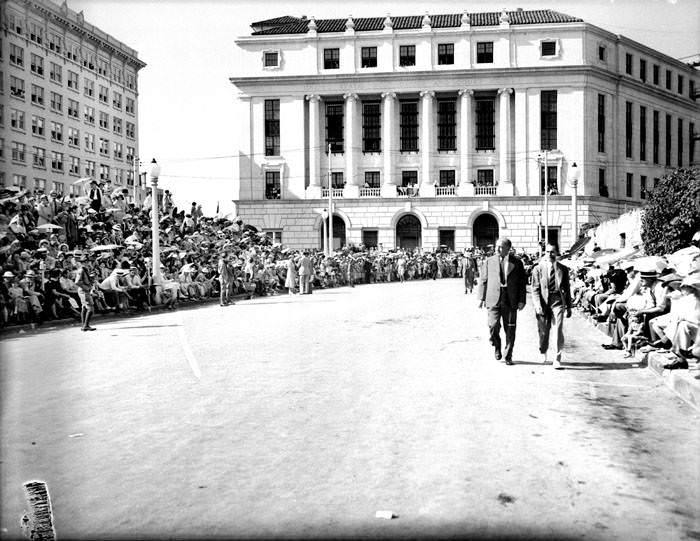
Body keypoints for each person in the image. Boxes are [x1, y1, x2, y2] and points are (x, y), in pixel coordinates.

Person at [477, 237, 527, 365]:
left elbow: (522, 283)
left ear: (508, 249)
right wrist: (481, 298)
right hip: (493, 298)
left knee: (510, 329)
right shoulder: (489, 261)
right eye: (497, 246)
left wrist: (522, 300)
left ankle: (508, 355)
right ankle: (497, 345)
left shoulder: (517, 263)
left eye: (501, 247)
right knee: (493, 326)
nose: (498, 249)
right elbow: (483, 280)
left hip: (510, 300)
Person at [530, 244, 572, 369]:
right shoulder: (537, 269)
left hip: (557, 301)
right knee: (543, 330)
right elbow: (534, 289)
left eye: (552, 252)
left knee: (558, 329)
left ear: (557, 253)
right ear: (545, 253)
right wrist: (537, 305)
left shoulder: (563, 269)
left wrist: (569, 307)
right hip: (543, 301)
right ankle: (543, 351)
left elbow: (567, 289)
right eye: (548, 252)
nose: (550, 254)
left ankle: (557, 358)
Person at [74, 255, 96, 331]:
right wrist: (86, 288)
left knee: (84, 307)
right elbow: (77, 282)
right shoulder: (81, 270)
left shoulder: (85, 270)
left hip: (84, 289)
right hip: (84, 290)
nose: (88, 263)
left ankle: (84, 325)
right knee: (90, 307)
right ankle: (86, 325)